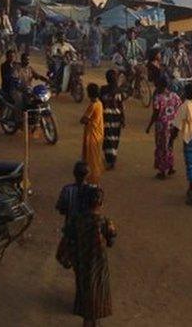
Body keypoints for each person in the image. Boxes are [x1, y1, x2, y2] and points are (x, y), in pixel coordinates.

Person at [64, 185, 115, 326]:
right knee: (97, 295)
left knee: (85, 292)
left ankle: (88, 321)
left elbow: (68, 236)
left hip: (82, 263)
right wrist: (112, 233)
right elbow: (110, 242)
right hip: (99, 265)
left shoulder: (77, 219)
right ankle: (94, 322)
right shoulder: (104, 221)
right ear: (101, 203)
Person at [146, 76, 181, 179]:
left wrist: (149, 126)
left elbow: (155, 113)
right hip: (172, 125)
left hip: (162, 126)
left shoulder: (158, 98)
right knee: (170, 145)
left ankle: (162, 171)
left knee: (161, 147)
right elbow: (179, 108)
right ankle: (170, 167)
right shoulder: (175, 96)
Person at [56, 161, 97, 234]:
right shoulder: (93, 190)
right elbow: (96, 209)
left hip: (71, 229)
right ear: (88, 174)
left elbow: (61, 209)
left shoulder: (67, 190)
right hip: (87, 230)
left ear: (74, 174)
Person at [99, 70, 126, 170]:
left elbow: (99, 104)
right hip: (116, 118)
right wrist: (123, 119)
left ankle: (110, 159)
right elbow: (122, 106)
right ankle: (112, 158)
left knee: (107, 138)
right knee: (114, 138)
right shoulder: (119, 91)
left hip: (106, 117)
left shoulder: (103, 90)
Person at [80, 83, 105, 186]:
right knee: (95, 154)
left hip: (92, 133)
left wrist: (84, 120)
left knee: (92, 156)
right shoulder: (99, 103)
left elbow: (84, 119)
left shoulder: (93, 105)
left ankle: (93, 177)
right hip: (97, 131)